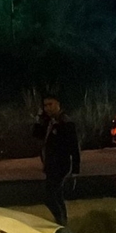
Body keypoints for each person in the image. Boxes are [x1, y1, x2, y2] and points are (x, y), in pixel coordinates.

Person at [31, 95, 80, 226]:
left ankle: (61, 221)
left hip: (60, 164)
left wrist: (75, 169)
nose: (47, 108)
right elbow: (37, 135)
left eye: (50, 104)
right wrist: (38, 119)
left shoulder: (65, 122)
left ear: (58, 104)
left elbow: (74, 146)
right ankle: (63, 220)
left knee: (49, 196)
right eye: (45, 105)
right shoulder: (49, 121)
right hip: (50, 164)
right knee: (57, 194)